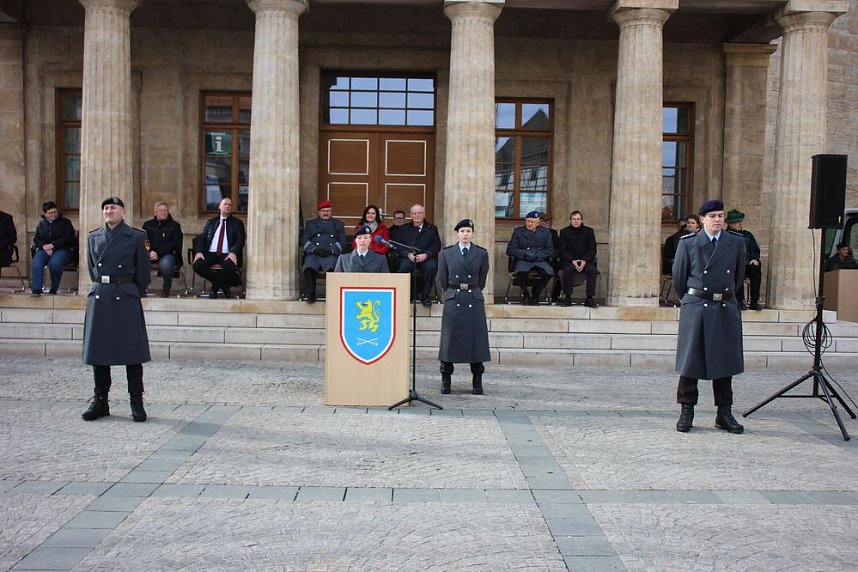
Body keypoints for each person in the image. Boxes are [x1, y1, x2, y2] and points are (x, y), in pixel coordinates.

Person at [673, 199, 746, 434]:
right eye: (712, 216)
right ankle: (687, 410)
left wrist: (726, 298)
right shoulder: (689, 243)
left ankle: (724, 413)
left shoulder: (735, 243)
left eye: (720, 215)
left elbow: (737, 277)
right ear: (702, 219)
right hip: (697, 304)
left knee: (724, 362)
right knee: (690, 362)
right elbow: (679, 279)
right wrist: (692, 300)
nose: (717, 219)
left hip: (724, 304)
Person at [81, 196, 151, 423]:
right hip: (101, 295)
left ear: (123, 211)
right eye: (106, 208)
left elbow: (144, 273)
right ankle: (100, 400)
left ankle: (136, 400)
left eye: (113, 208)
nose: (109, 211)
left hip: (125, 294)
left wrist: (130, 291)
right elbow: (92, 269)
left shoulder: (137, 237)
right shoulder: (93, 237)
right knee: (99, 353)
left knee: (132, 352)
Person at [438, 218, 490, 395]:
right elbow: (443, 279)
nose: (465, 234)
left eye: (468, 231)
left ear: (473, 233)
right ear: (457, 234)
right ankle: (446, 380)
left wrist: (470, 290)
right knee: (449, 341)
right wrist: (455, 291)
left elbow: (482, 280)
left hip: (473, 298)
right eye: (462, 231)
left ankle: (477, 380)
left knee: (476, 341)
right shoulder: (446, 253)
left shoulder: (481, 253)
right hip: (454, 298)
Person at [193, 197, 245, 299]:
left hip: (227, 253)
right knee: (197, 265)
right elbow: (202, 237)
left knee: (229, 267)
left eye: (230, 205)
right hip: (211, 253)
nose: (228, 206)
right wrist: (198, 252)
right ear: (220, 206)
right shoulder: (211, 222)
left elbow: (240, 240)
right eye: (225, 204)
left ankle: (214, 290)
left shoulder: (237, 223)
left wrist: (233, 252)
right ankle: (224, 285)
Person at [396, 203, 442, 307]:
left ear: (424, 214)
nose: (417, 215)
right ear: (411, 215)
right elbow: (398, 246)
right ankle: (408, 295)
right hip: (408, 258)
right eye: (414, 213)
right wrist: (408, 254)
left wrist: (426, 255)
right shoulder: (403, 228)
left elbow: (436, 245)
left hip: (426, 258)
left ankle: (425, 296)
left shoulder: (432, 228)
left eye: (420, 213)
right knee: (404, 267)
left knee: (431, 267)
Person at [301, 199, 347, 303]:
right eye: (323, 211)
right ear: (318, 212)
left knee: (332, 268)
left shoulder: (338, 224)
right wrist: (313, 249)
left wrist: (331, 250)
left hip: (330, 253)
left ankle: (331, 295)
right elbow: (305, 240)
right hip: (315, 253)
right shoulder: (310, 224)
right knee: (309, 266)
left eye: (328, 211)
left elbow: (343, 242)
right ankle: (311, 294)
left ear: (331, 212)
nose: (325, 213)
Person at [506, 210, 555, 305]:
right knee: (521, 272)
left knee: (549, 272)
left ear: (538, 223)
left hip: (539, 260)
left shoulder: (545, 232)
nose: (529, 223)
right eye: (528, 221)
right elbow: (510, 249)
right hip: (524, 259)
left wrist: (537, 255)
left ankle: (536, 293)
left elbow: (550, 250)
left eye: (532, 222)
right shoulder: (518, 232)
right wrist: (524, 253)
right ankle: (525, 294)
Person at [31, 201, 76, 295]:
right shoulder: (41, 224)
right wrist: (43, 246)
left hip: (62, 249)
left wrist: (53, 245)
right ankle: (37, 288)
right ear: (45, 214)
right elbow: (37, 238)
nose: (53, 214)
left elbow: (69, 237)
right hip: (45, 250)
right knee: (37, 261)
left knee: (54, 263)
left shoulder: (65, 222)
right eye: (50, 213)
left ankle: (54, 288)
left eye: (55, 212)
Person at [142, 200, 184, 297]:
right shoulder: (148, 225)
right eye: (161, 210)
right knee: (140, 263)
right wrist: (149, 252)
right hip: (151, 254)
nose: (164, 212)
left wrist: (158, 254)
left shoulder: (175, 226)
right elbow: (144, 240)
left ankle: (166, 289)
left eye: (165, 210)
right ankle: (142, 288)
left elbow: (176, 244)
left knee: (165, 264)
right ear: (155, 212)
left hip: (168, 255)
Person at [558, 210, 598, 308]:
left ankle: (589, 298)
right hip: (570, 260)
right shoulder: (564, 232)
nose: (576, 221)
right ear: (570, 220)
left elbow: (592, 249)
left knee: (592, 271)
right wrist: (573, 261)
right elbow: (562, 250)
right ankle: (567, 297)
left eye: (578, 219)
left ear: (581, 220)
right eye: (574, 219)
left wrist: (584, 260)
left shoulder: (589, 231)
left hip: (586, 261)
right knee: (566, 271)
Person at [725, 208, 762, 310]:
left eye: (740, 222)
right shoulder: (725, 236)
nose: (739, 224)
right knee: (737, 270)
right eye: (736, 223)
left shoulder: (747, 235)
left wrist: (754, 258)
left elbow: (755, 249)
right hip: (733, 264)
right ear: (730, 224)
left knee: (756, 268)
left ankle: (754, 301)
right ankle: (739, 300)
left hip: (747, 262)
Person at [539, 212, 562, 303]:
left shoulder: (553, 232)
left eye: (548, 221)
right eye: (544, 221)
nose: (547, 222)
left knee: (561, 268)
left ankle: (555, 295)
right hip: (536, 259)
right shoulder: (532, 231)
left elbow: (558, 248)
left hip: (550, 259)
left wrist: (551, 255)